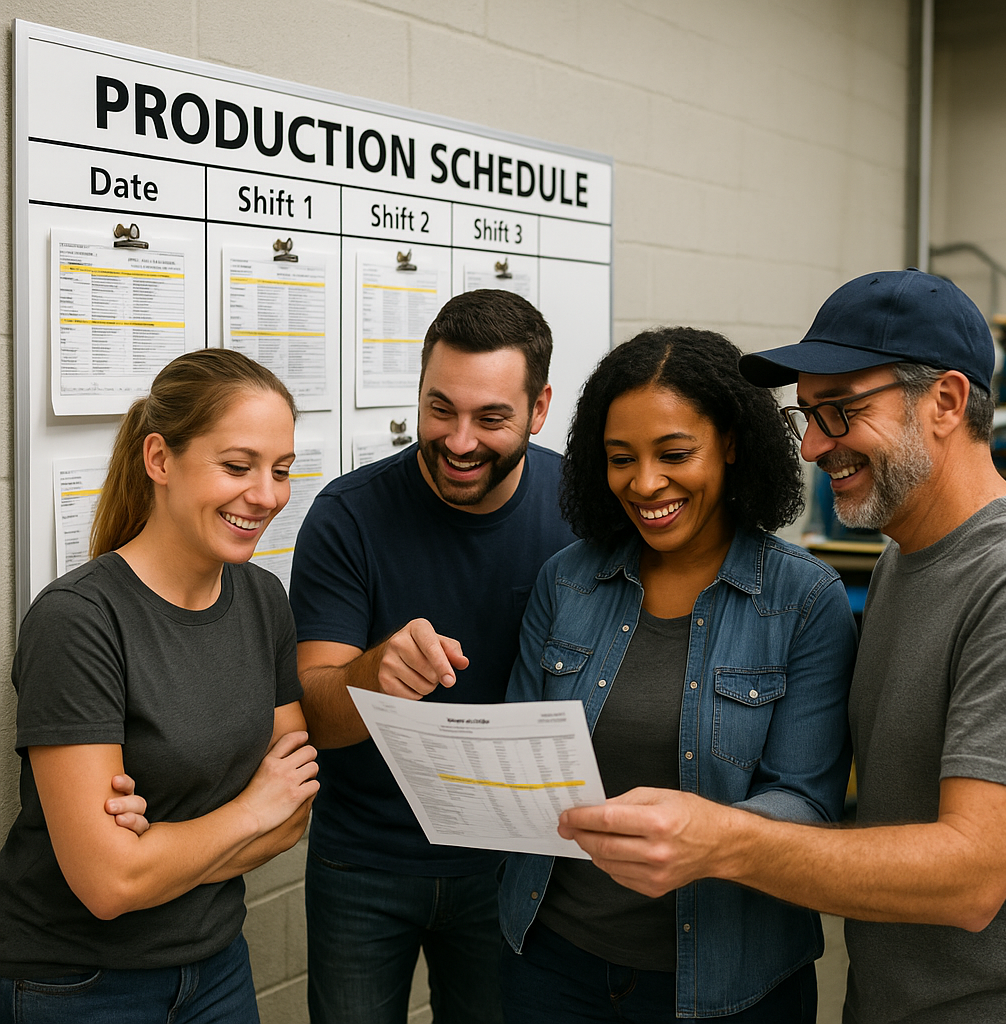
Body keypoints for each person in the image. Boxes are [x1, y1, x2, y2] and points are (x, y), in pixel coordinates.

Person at [558, 269, 1006, 1024]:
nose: (811, 445)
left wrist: (720, 839)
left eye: (839, 412)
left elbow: (971, 879)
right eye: (807, 414)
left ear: (945, 402)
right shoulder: (906, 556)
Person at [498, 327, 857, 1022]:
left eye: (674, 453)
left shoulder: (804, 601)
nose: (645, 483)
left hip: (731, 980)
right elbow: (521, 754)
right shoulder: (567, 581)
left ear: (730, 444)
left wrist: (704, 833)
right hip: (554, 964)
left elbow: (807, 802)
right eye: (619, 458)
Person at [0, 348, 320, 1023]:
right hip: (76, 984)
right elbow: (108, 884)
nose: (266, 495)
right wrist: (246, 811)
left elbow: (294, 813)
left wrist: (156, 852)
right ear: (160, 460)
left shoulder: (263, 601)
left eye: (281, 470)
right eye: (237, 466)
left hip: (217, 970)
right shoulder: (78, 622)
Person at [290, 289, 577, 1024]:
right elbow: (316, 718)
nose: (458, 440)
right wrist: (370, 675)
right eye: (439, 408)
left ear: (539, 410)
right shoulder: (348, 515)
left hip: (513, 863)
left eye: (492, 418)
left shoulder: (583, 510)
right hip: (364, 861)